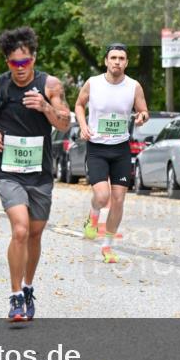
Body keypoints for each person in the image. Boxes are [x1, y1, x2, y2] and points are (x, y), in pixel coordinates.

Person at [0, 27, 71, 322]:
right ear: (7, 62)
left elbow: (64, 122)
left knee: (36, 233)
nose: (20, 69)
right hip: (9, 172)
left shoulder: (50, 85)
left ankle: (28, 287)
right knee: (20, 229)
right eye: (14, 63)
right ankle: (15, 297)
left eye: (25, 62)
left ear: (33, 58)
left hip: (40, 171)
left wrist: (44, 107)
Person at [74, 43, 149, 263]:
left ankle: (107, 246)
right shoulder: (93, 83)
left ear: (126, 62)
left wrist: (142, 117)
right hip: (97, 148)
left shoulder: (134, 86)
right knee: (102, 196)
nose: (117, 61)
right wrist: (83, 125)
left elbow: (143, 110)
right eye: (113, 57)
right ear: (106, 61)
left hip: (121, 149)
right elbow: (79, 105)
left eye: (121, 58)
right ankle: (93, 217)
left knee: (118, 200)